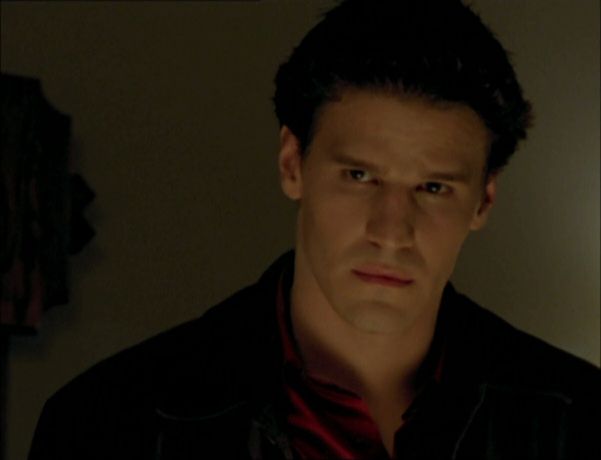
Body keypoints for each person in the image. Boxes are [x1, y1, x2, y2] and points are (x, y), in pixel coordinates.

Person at [29, 1, 599, 459]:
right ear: (292, 164)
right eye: (359, 176)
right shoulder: (108, 424)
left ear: (484, 200)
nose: (391, 232)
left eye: (433, 188)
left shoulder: (578, 420)